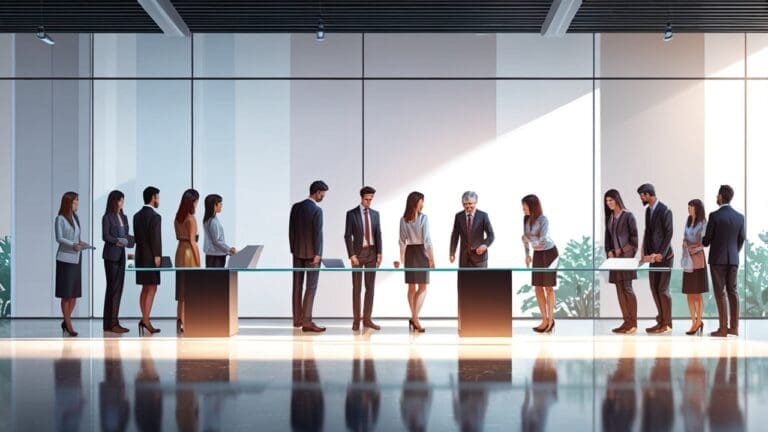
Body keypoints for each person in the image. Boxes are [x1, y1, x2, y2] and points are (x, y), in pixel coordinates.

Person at [702, 185, 745, 337]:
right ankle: (734, 328)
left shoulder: (714, 216)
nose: (716, 197)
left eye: (717, 195)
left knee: (720, 293)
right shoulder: (740, 217)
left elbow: (706, 241)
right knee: (733, 292)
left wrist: (701, 238)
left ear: (720, 196)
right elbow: (741, 239)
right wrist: (733, 253)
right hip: (733, 259)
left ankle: (723, 329)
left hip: (717, 260)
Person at [289, 180, 329, 333]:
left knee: (297, 286)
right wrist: (318, 253)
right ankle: (307, 321)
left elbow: (291, 231)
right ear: (317, 192)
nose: (323, 196)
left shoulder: (296, 207)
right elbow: (318, 234)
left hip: (297, 253)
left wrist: (293, 249)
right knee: (311, 287)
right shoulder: (317, 210)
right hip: (313, 255)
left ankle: (297, 320)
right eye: (323, 194)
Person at [344, 186, 383, 331]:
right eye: (367, 199)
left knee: (370, 287)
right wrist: (351, 255)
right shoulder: (351, 214)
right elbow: (347, 236)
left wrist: (380, 253)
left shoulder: (375, 214)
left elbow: (378, 234)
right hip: (357, 254)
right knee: (357, 288)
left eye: (371, 199)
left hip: (372, 253)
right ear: (361, 198)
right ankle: (356, 320)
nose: (369, 202)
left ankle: (367, 319)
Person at [637, 183, 674, 334]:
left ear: (648, 194)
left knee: (662, 290)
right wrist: (645, 254)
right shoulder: (648, 211)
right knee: (654, 288)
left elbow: (669, 234)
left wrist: (661, 254)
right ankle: (661, 321)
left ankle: (667, 324)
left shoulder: (665, 210)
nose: (641, 198)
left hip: (665, 257)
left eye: (642, 196)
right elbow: (648, 232)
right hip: (652, 257)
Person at [397, 191, 434, 333]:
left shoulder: (403, 219)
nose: (423, 204)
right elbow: (427, 240)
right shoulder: (423, 218)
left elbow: (402, 241)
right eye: (422, 201)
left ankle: (414, 318)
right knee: (422, 287)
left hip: (410, 253)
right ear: (416, 202)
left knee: (412, 288)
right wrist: (431, 259)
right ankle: (415, 318)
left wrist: (402, 258)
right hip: (421, 252)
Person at [521, 194, 559, 334]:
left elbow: (542, 241)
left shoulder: (543, 220)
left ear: (532, 206)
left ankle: (551, 320)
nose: (523, 209)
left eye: (524, 206)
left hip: (549, 253)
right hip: (537, 254)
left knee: (548, 287)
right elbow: (525, 238)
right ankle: (544, 319)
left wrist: (529, 240)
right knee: (537, 287)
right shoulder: (526, 219)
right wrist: (527, 255)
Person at [604, 189, 639, 334]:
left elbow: (634, 241)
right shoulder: (610, 218)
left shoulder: (628, 215)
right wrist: (609, 251)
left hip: (626, 259)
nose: (609, 203)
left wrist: (621, 251)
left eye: (611, 200)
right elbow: (608, 239)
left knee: (627, 288)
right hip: (614, 260)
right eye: (607, 201)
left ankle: (633, 323)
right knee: (619, 289)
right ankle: (626, 322)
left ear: (617, 199)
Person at [55, 191, 90, 337]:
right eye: (75, 201)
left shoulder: (76, 217)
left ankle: (66, 320)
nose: (77, 204)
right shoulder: (60, 219)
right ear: (68, 203)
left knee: (74, 294)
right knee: (66, 294)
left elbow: (76, 237)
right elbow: (59, 238)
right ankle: (68, 324)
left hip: (76, 258)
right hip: (65, 259)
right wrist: (73, 245)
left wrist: (82, 243)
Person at [102, 190, 134, 334]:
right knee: (112, 289)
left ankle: (112, 322)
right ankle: (111, 323)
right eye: (120, 200)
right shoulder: (107, 217)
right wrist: (117, 241)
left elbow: (126, 235)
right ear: (114, 201)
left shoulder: (124, 217)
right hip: (111, 255)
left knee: (118, 289)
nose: (122, 203)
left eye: (123, 200)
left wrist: (132, 240)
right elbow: (105, 236)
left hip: (121, 255)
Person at [133, 186, 162, 336]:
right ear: (153, 198)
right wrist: (157, 255)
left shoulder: (136, 216)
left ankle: (144, 319)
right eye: (158, 197)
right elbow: (156, 238)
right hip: (151, 256)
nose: (159, 200)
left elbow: (137, 238)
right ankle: (146, 320)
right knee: (152, 288)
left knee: (145, 288)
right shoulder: (155, 217)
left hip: (139, 255)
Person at [174, 188, 201, 334]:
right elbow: (193, 242)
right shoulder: (191, 219)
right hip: (189, 253)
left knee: (181, 291)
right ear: (193, 202)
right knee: (190, 289)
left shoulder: (177, 218)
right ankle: (189, 321)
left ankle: (180, 320)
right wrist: (198, 261)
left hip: (179, 252)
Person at [682, 199, 709, 336]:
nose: (689, 209)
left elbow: (705, 243)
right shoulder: (688, 220)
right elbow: (685, 237)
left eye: (691, 207)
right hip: (688, 260)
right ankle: (694, 321)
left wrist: (694, 249)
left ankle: (699, 321)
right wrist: (684, 243)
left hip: (698, 260)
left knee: (697, 293)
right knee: (689, 293)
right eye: (688, 206)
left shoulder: (703, 222)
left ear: (697, 208)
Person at [449, 191, 495, 268]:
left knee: (480, 277)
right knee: (464, 276)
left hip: (479, 259)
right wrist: (452, 253)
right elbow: (455, 236)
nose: (468, 206)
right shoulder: (458, 216)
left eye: (470, 203)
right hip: (464, 259)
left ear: (476, 202)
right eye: (465, 204)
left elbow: (491, 235)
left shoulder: (483, 216)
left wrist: (484, 245)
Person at [203, 194, 236, 268]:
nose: (222, 205)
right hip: (216, 256)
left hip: (213, 255)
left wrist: (228, 250)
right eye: (220, 203)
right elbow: (216, 241)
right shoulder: (213, 221)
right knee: (216, 275)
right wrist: (229, 249)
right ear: (214, 205)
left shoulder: (208, 220)